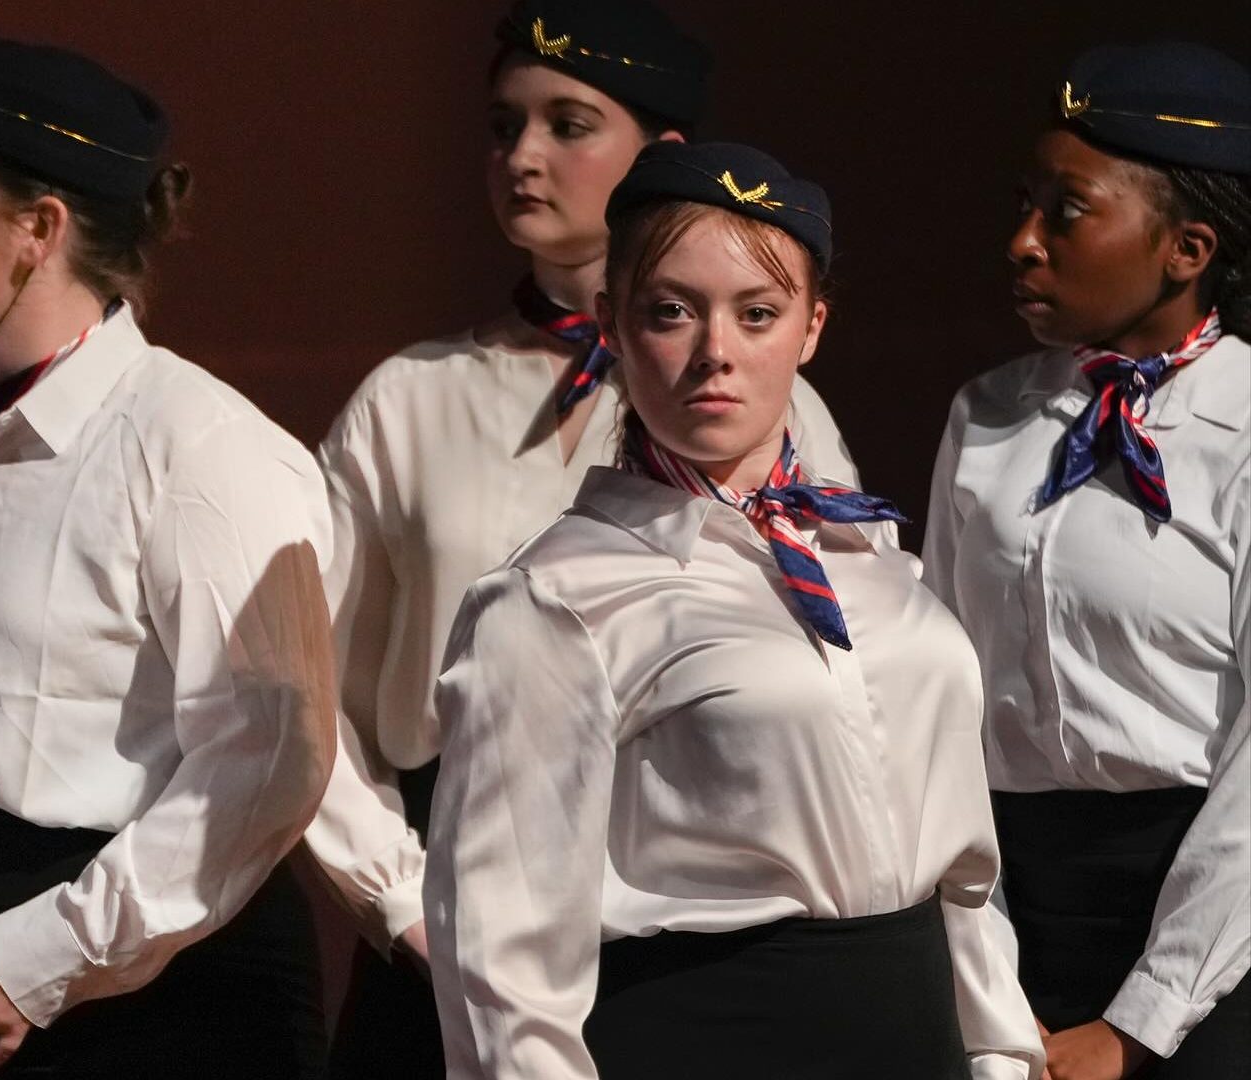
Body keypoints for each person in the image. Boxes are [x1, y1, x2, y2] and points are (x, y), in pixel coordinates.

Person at [300, 2, 863, 1075]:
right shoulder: (410, 400)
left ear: (661, 155)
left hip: (684, 909)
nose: (522, 156)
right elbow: (308, 685)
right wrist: (401, 897)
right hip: (449, 889)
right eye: (503, 125)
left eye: (567, 125)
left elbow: (840, 657)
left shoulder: (771, 403)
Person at [425, 140, 1045, 1080]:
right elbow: (501, 974)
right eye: (671, 311)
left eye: (758, 314)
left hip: (914, 1036)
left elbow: (964, 881)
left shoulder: (874, 563)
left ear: (812, 327)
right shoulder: (554, 599)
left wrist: (1001, 1056)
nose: (716, 352)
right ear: (612, 323)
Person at [0, 39, 338, 1078]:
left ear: (38, 230)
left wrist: (47, 956)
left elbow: (270, 756)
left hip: (147, 994)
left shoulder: (197, 445)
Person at [923, 42, 1250, 1080]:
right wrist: (983, 966)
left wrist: (1141, 1021)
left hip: (1213, 920)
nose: (1022, 243)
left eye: (1067, 211)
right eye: (1024, 204)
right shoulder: (987, 415)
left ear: (1186, 248)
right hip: (1009, 909)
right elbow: (940, 700)